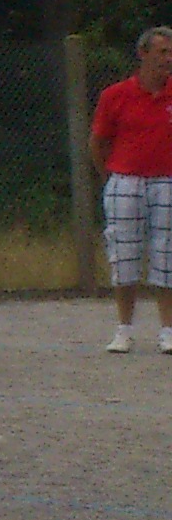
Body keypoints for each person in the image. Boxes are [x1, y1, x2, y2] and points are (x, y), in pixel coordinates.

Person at [92, 26, 172, 353]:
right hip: (126, 180)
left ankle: (167, 330)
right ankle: (124, 328)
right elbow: (98, 140)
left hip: (167, 180)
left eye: (170, 53)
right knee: (124, 253)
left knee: (167, 255)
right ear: (143, 54)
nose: (168, 59)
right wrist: (110, 177)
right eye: (162, 52)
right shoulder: (116, 95)